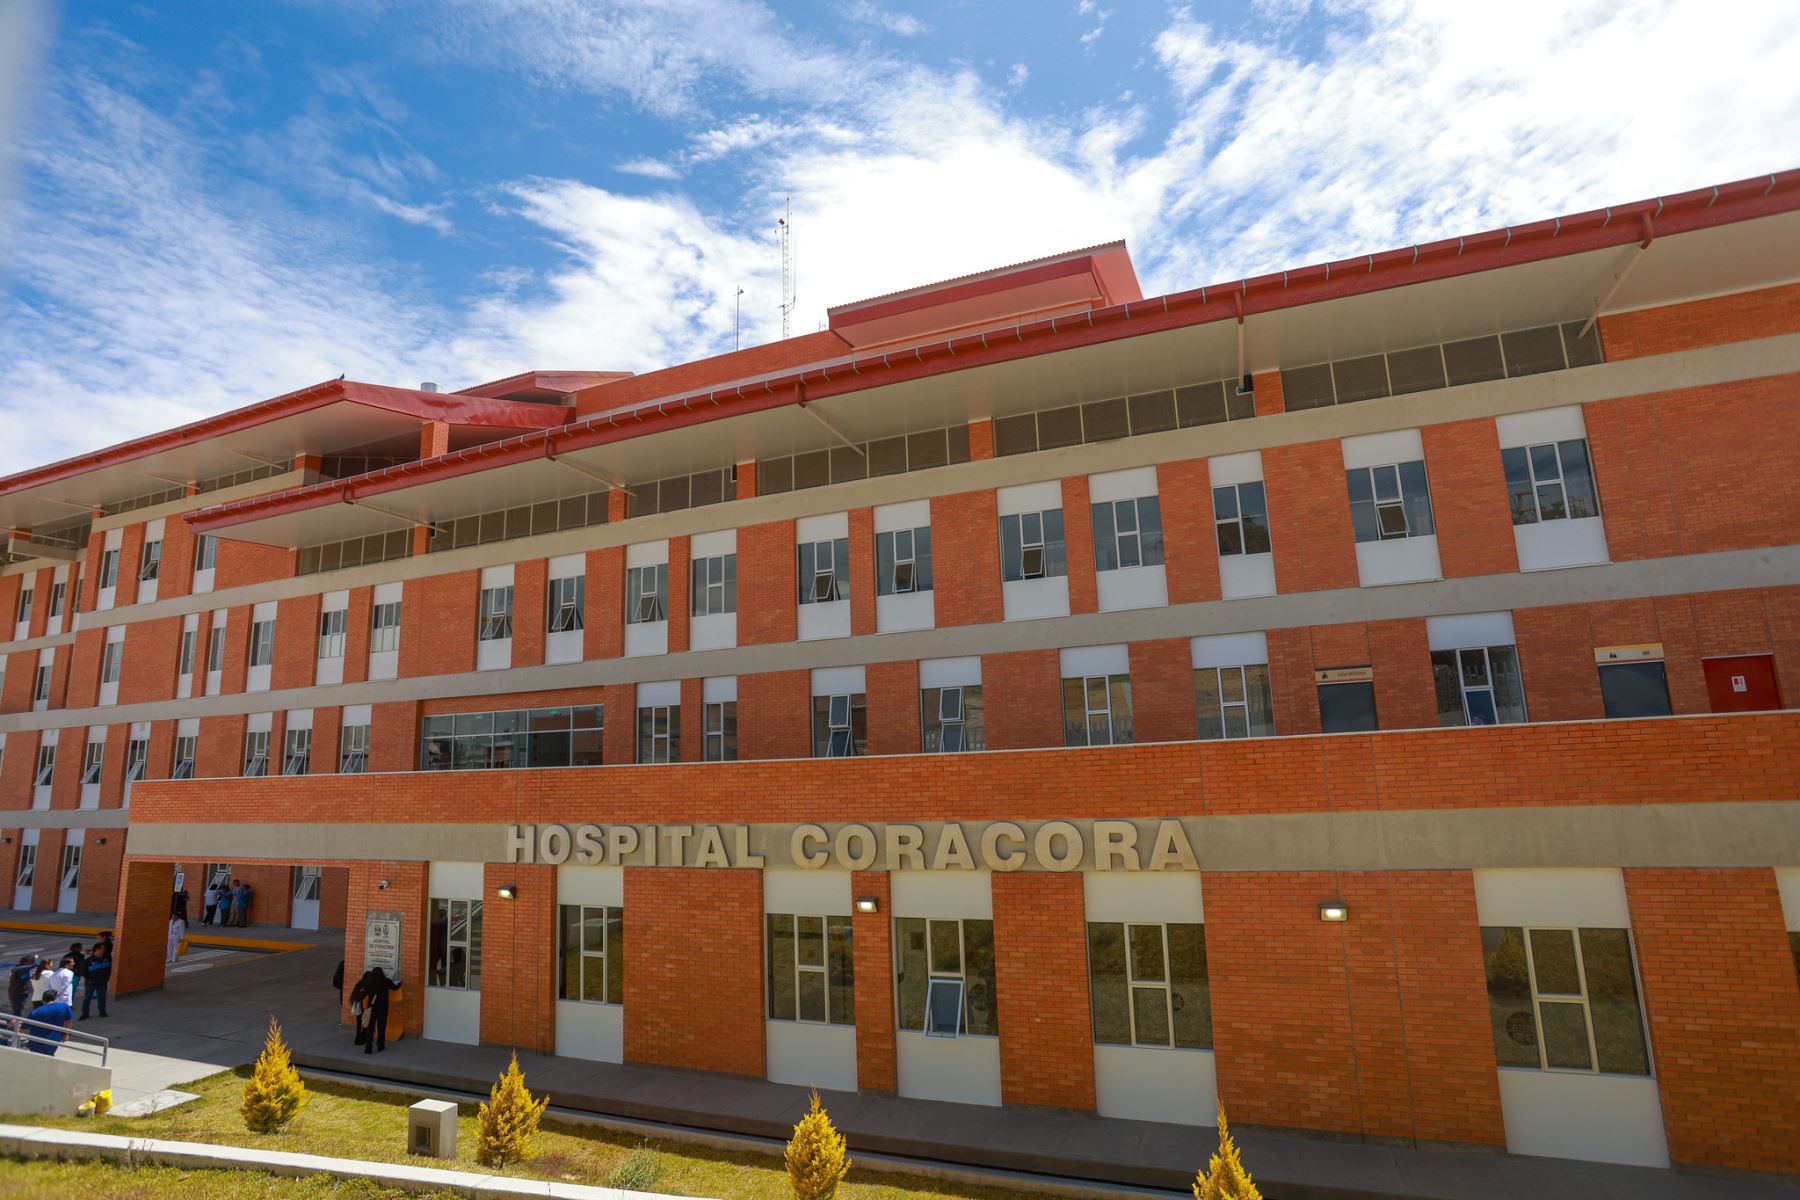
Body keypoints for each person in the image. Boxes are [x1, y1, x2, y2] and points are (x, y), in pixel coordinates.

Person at [350, 967, 402, 1055]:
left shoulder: (370, 982)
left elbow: (363, 994)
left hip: (371, 1008)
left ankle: (368, 1047)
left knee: (370, 1028)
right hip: (383, 1008)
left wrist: (356, 998)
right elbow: (395, 987)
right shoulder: (386, 981)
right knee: (381, 1027)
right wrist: (400, 982)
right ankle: (380, 1045)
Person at [25, 990, 73, 1056]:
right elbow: (69, 1022)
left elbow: (24, 1029)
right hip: (53, 1040)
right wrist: (66, 1034)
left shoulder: (35, 1012)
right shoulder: (64, 1007)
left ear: (43, 999)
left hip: (36, 1042)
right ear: (55, 998)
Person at [79, 940, 111, 1020]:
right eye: (102, 948)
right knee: (87, 998)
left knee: (102, 997)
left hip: (102, 982)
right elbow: (83, 972)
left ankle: (102, 1012)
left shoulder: (106, 959)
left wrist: (107, 978)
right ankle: (85, 1013)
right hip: (91, 983)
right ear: (97, 949)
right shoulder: (88, 961)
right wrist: (89, 979)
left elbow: (109, 969)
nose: (104, 950)